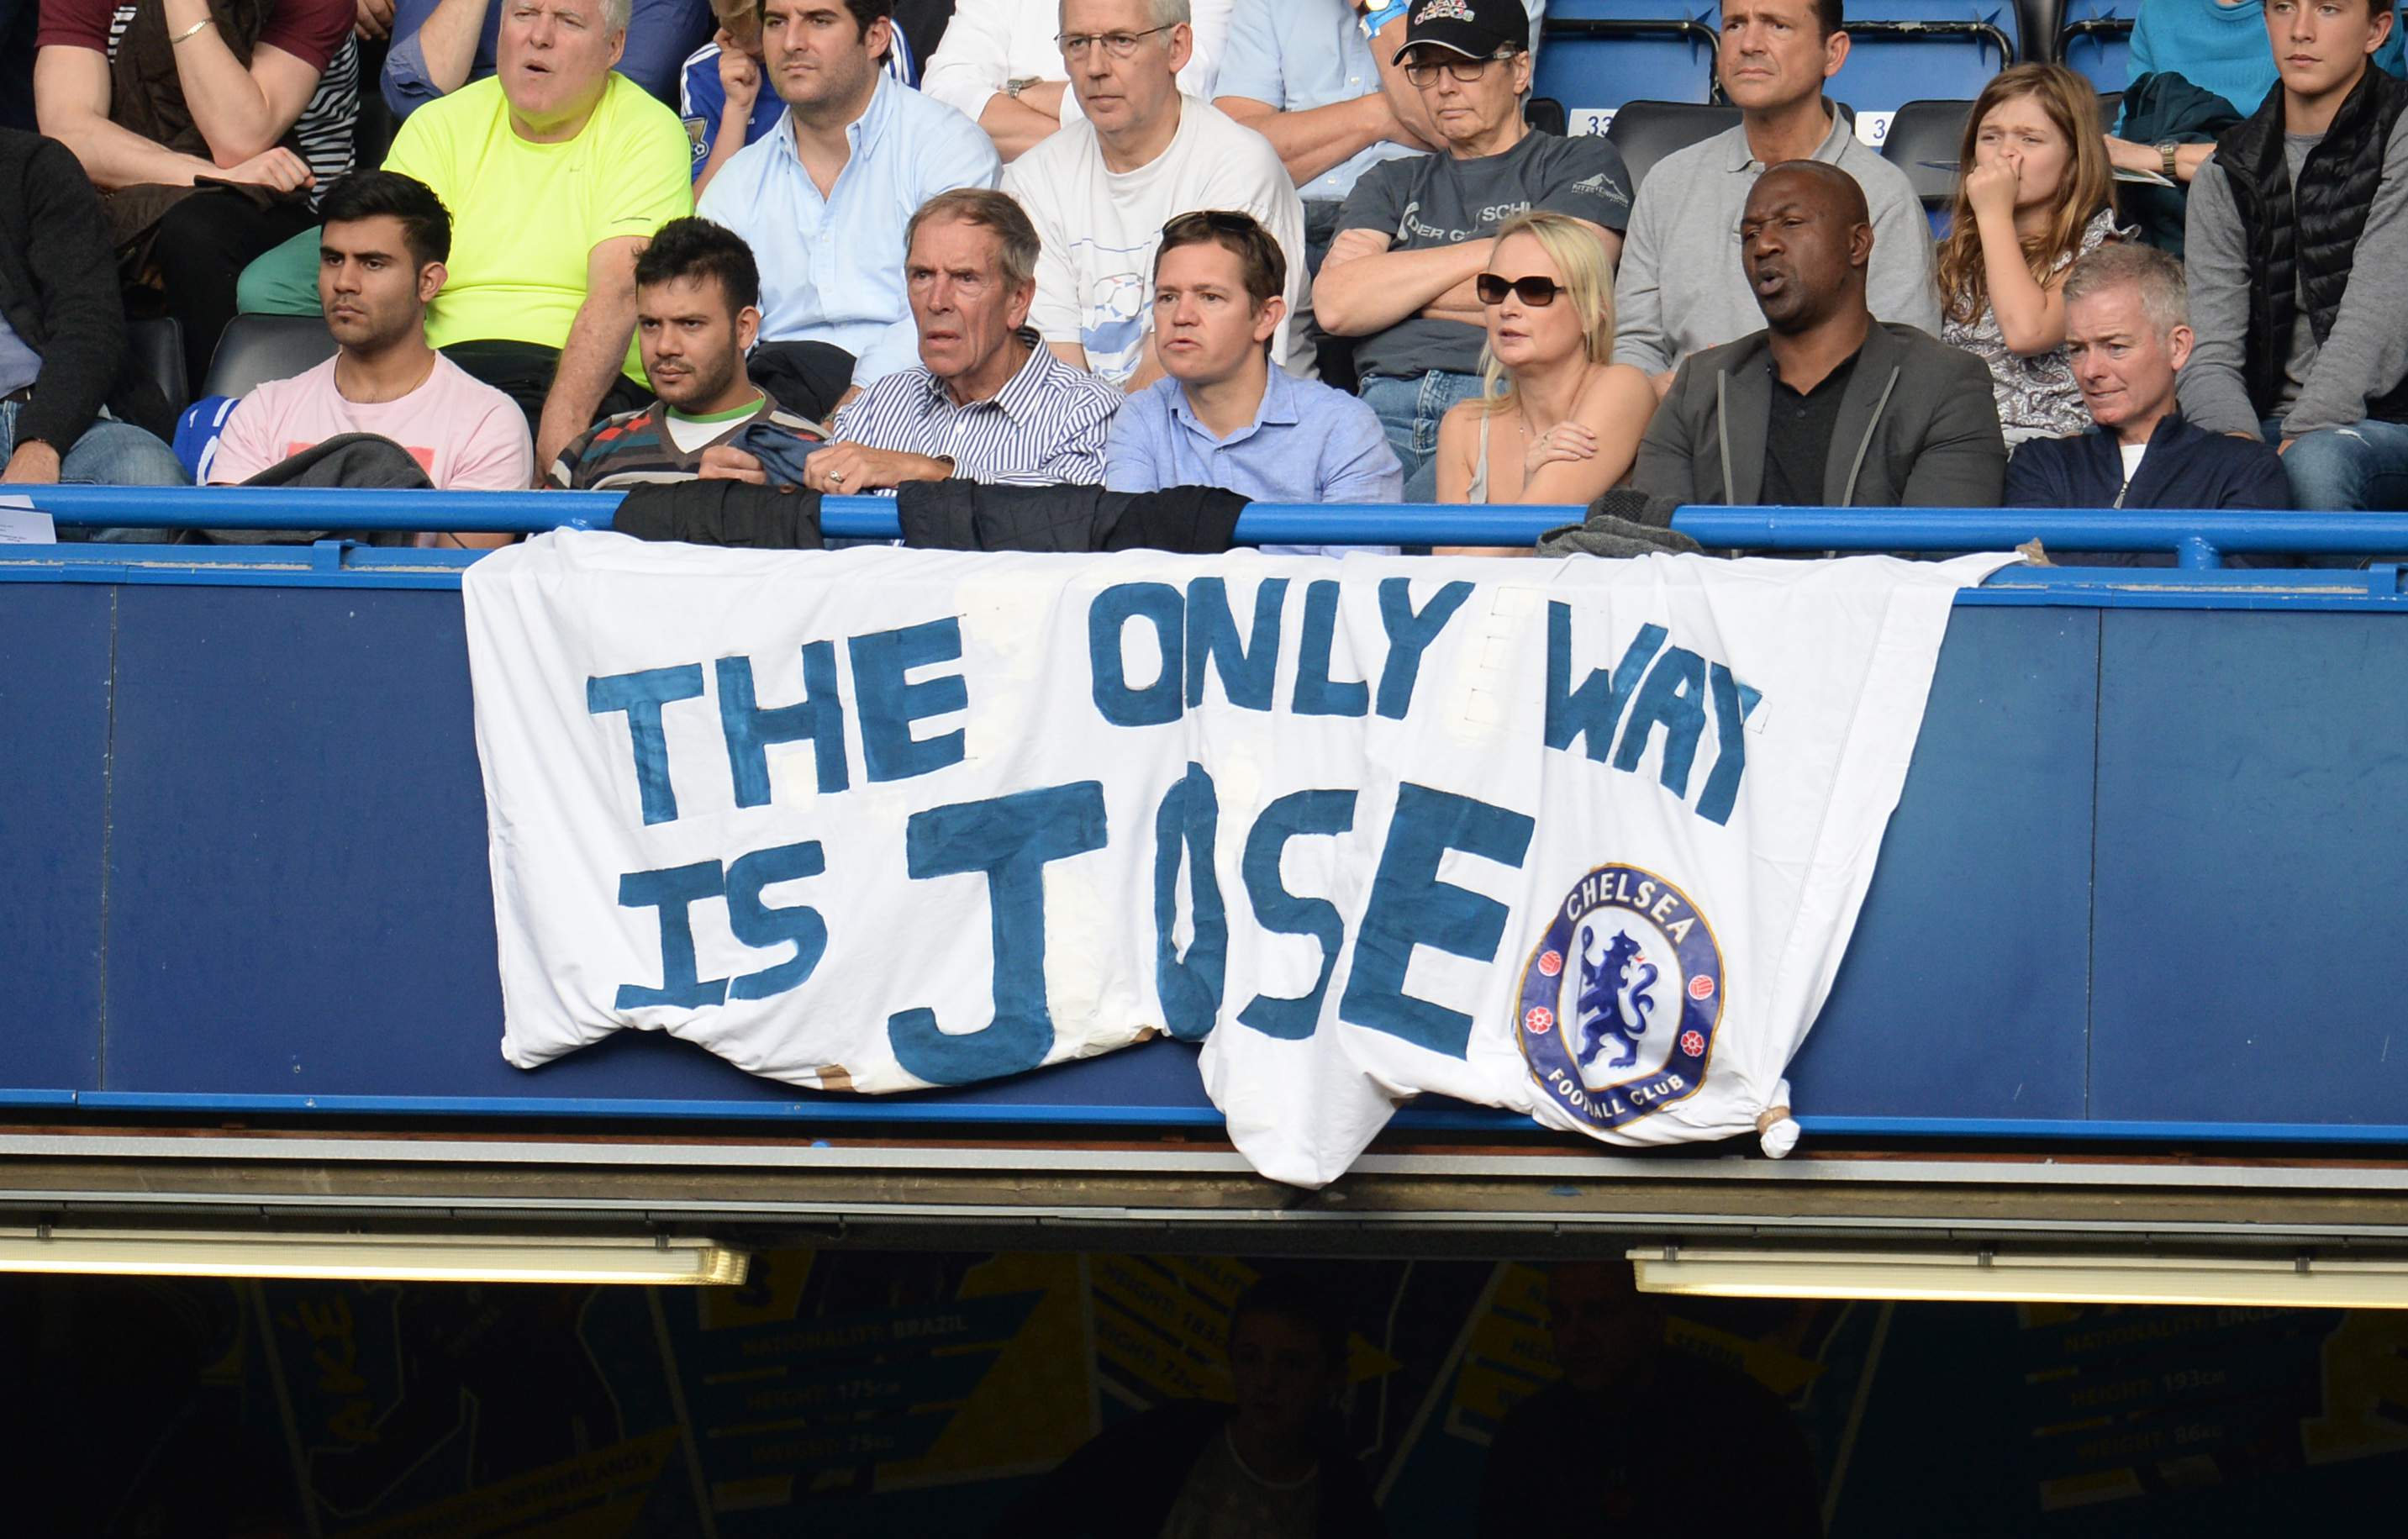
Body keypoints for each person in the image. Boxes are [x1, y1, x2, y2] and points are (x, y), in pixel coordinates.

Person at [241, 0, 696, 471]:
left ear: (614, 46)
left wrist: (561, 448)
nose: (539, 37)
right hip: (439, 381)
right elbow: (380, 275)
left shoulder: (647, 129)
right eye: (523, 15)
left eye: (568, 21)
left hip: (577, 387)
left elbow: (619, 291)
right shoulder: (438, 125)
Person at [1316, 0, 1631, 493]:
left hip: (1504, 404)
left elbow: (1568, 286)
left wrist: (1396, 289)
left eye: (1466, 64)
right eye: (1426, 68)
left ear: (1519, 69)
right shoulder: (1391, 180)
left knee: (1392, 544)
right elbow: (1337, 305)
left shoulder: (1579, 161)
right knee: (1297, 541)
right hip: (1378, 411)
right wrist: (1508, 255)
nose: (1443, 87)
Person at [1632, 161, 2005, 509]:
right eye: (1750, 234)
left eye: (1791, 223)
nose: (1763, 246)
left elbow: (1940, 558)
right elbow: (1655, 548)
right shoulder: (1700, 386)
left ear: (1857, 244)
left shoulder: (1944, 385)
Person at [1211, 0, 1546, 382]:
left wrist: (1379, 6)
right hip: (1286, 215)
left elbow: (1462, 125)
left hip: (1417, 219)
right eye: (1428, 70)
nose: (1442, 82)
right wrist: (1380, 114)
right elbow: (1237, 153)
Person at [1611, 0, 1937, 393]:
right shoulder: (1668, 182)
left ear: (1833, 53)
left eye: (1776, 25)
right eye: (1734, 25)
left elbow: (1902, 366)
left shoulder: (1882, 195)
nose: (1749, 43)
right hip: (1677, 429)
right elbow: (1634, 345)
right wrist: (1673, 405)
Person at [34, 0, 361, 389]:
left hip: (293, 208)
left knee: (196, 229)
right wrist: (210, 176)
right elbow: (67, 132)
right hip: (139, 194)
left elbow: (239, 138)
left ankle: (219, 421)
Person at [706, 189, 1117, 492]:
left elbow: (1072, 516)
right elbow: (822, 512)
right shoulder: (877, 405)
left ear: (1018, 299)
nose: (937, 301)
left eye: (965, 278)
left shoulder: (1087, 412)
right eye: (922, 276)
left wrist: (927, 472)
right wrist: (771, 485)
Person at [694, 0, 1000, 402]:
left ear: (875, 37)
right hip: (773, 405)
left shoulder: (947, 148)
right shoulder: (736, 182)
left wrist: (859, 403)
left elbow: (951, 306)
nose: (791, 43)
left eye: (819, 21)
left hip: (928, 398)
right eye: (776, 22)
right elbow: (715, 329)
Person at [1000, 0, 1304, 393]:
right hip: (1085, 444)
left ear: (1177, 47)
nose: (1095, 67)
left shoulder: (1238, 168)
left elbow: (1192, 372)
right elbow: (1057, 380)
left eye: (1121, 41)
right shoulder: (1033, 181)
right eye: (1077, 43)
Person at [2181, 0, 2408, 513]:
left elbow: (2378, 316)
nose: (2300, 31)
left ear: (2377, 31)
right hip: (2262, 428)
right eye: (2284, 7)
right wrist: (2235, 446)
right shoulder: (2226, 169)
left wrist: (2301, 434)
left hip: (2385, 424)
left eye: (2328, 9)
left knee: (2316, 465)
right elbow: (2210, 349)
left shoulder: (2401, 132)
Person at [209, 171, 533, 511]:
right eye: (333, 259)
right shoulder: (264, 411)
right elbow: (235, 554)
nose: (344, 282)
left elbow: (458, 564)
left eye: (373, 263)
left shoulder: (488, 423)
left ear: (428, 283)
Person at [989, 1273, 1384, 1539]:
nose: (1267, 1382)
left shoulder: (1343, 1500)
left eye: (1291, 1363)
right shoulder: (1164, 1443)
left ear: (1330, 1376)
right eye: (1250, 1358)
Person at [1105, 211, 1401, 553]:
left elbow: (1356, 589)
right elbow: (1128, 569)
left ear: (1266, 317)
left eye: (1209, 297)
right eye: (1167, 297)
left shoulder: (1342, 427)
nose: (1182, 316)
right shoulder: (1140, 416)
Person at [1476, 1262, 1821, 1537]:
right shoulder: (1531, 1436)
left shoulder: (1743, 1424)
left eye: (1598, 1313)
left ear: (1653, 1318)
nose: (1573, 1337)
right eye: (1560, 1316)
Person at [2007, 242, 2289, 513]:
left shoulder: (2242, 469)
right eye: (2077, 349)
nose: (2090, 371)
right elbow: (2031, 560)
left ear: (2177, 347)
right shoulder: (2042, 463)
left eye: (2115, 347)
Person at [551, 217, 825, 488]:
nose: (664, 346)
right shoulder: (591, 451)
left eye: (690, 324)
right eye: (650, 324)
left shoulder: (812, 458)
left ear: (744, 328)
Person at [1937, 64, 2123, 450]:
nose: (2006, 152)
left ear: (2074, 159)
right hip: (1958, 443)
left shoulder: (2101, 251)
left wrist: (1993, 214)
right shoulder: (1954, 253)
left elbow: (2027, 332)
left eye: (2030, 140)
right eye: (1990, 137)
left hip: (2054, 448)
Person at [0, 126, 186, 490]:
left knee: (145, 477)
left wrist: (42, 441)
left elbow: (88, 318)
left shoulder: (31, 165)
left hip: (47, 412)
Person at [1434, 211, 1654, 508]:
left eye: (1535, 290)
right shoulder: (1463, 425)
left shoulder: (1624, 387)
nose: (1507, 308)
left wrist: (1531, 490)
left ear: (1591, 313)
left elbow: (1533, 528)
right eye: (1496, 288)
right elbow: (1446, 555)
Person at [2105, 0, 2407, 186]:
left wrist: (2164, 158)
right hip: (2173, 214)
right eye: (2282, 8)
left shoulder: (2352, 15)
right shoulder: (2160, 10)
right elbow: (2127, 146)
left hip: (2313, 210)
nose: (2300, 30)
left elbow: (2322, 150)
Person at [924, 0, 1231, 163]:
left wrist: (1017, 91)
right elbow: (942, 99)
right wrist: (1103, 142)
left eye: (1122, 41)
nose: (1095, 69)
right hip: (1018, 212)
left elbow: (1170, 96)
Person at [680, 0, 930, 195]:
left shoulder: (865, 41)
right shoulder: (704, 70)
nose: (790, 44)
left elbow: (904, 158)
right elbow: (704, 215)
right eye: (732, 27)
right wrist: (737, 107)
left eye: (773, 24)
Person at [380, 0, 713, 117]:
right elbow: (413, 95)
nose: (539, 37)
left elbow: (612, 89)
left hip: (588, 174)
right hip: (455, 170)